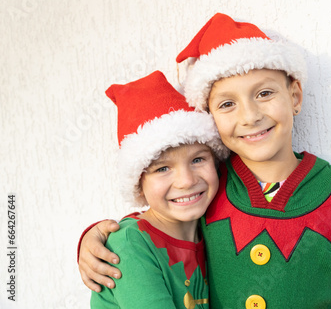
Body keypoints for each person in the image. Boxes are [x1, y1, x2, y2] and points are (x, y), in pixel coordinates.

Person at [79, 14, 331, 308]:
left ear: (295, 96)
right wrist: (97, 237)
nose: (250, 116)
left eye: (264, 94)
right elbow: (161, 221)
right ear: (210, 117)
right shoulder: (211, 183)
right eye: (228, 103)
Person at [89, 70, 228, 308]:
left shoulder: (210, 228)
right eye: (162, 169)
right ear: (138, 186)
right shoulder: (129, 245)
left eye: (197, 160)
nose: (186, 181)